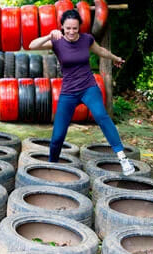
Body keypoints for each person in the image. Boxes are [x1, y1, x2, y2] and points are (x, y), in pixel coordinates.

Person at [29, 9, 135, 175]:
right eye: (68, 28)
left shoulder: (87, 39)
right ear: (62, 27)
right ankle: (51, 165)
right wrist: (49, 36)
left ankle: (122, 158)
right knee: (57, 136)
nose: (71, 32)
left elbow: (101, 51)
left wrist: (116, 59)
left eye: (75, 28)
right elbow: (31, 45)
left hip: (88, 87)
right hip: (68, 92)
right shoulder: (57, 41)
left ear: (80, 28)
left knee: (101, 116)